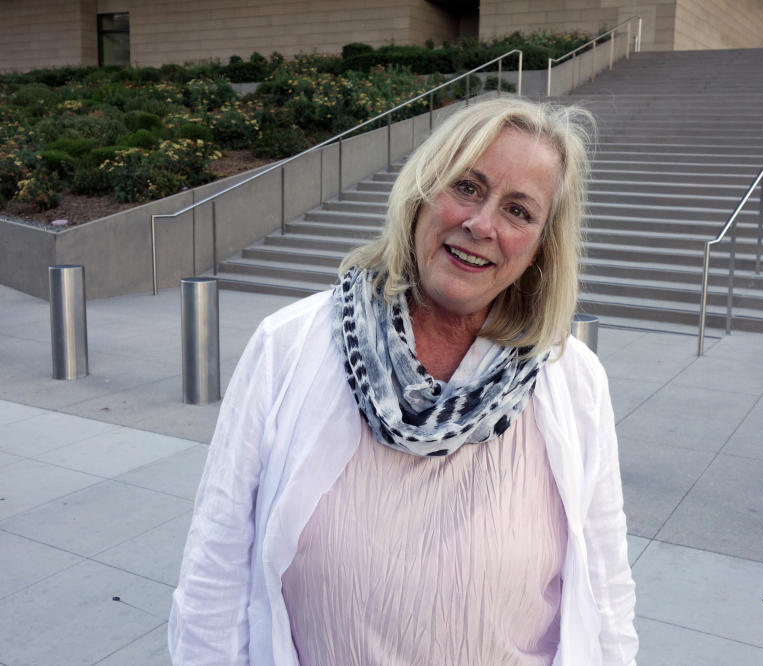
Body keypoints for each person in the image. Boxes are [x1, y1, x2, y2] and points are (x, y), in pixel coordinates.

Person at [169, 97, 638, 665]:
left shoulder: (574, 381)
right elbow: (214, 572)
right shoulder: (288, 346)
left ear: (542, 246)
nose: (481, 224)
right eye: (466, 186)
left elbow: (606, 593)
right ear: (421, 193)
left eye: (519, 211)